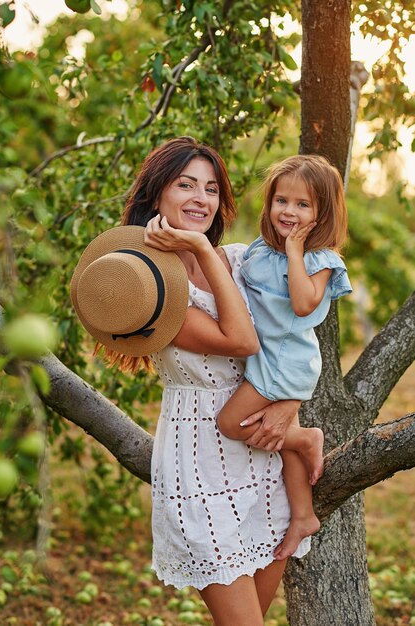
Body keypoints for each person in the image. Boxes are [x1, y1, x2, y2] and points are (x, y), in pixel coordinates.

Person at [116, 137, 313, 626]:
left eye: (209, 188)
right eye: (185, 185)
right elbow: (242, 341)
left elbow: (294, 332)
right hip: (199, 463)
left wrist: (289, 407)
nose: (200, 199)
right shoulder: (148, 291)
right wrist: (202, 249)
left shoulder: (245, 260)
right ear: (155, 196)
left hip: (266, 451)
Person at [216, 154, 352, 560]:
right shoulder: (261, 249)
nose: (289, 211)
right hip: (264, 358)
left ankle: (308, 438)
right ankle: (303, 516)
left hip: (284, 363)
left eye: (303, 204)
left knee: (231, 422)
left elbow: (304, 303)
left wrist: (295, 250)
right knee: (284, 447)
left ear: (322, 213)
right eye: (281, 201)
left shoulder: (320, 260)